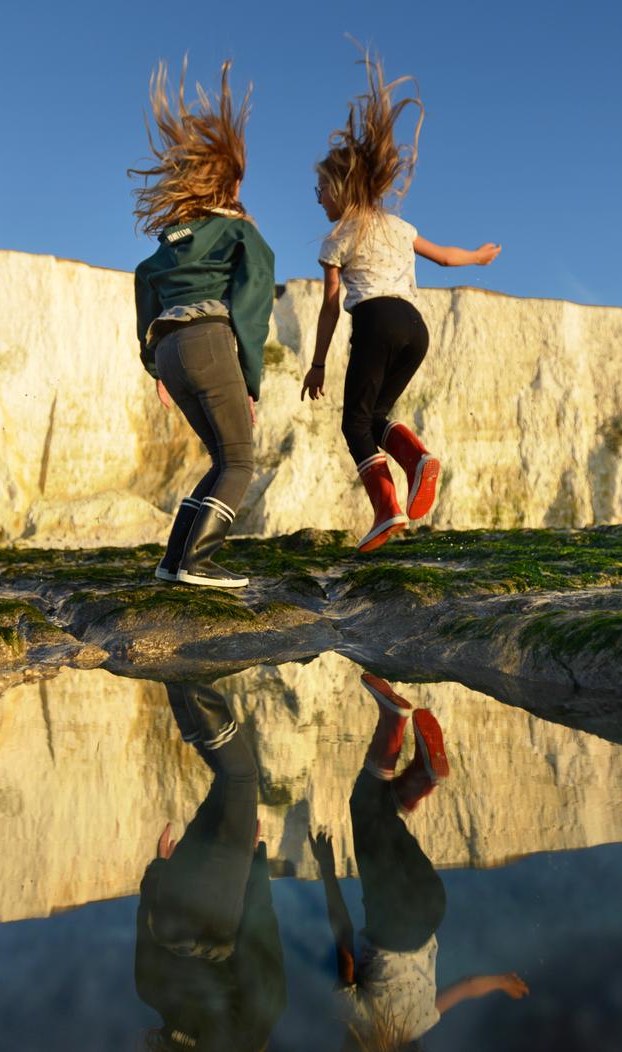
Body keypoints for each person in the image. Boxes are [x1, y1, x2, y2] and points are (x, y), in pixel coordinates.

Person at [299, 53, 501, 552]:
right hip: (416, 327)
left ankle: (388, 510)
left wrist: (319, 363)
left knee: (353, 422)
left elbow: (330, 306)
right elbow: (447, 260)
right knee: (375, 416)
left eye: (321, 188)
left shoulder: (337, 235)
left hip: (376, 320)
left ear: (341, 189)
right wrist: (478, 256)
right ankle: (417, 461)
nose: (316, 197)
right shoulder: (398, 225)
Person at [310, 673, 527, 1050]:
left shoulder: (422, 1022)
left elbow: (466, 988)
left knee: (382, 814)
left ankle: (419, 779)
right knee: (363, 806)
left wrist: (501, 982)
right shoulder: (359, 1021)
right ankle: (393, 721)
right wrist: (326, 870)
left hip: (431, 907)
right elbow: (342, 936)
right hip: (392, 914)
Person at [131, 60, 276, 588]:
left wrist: (155, 369)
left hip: (169, 349)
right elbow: (252, 308)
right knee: (239, 460)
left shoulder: (167, 244)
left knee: (219, 457)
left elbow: (144, 286)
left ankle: (173, 560)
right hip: (210, 341)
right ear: (233, 181)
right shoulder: (238, 234)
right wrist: (251, 382)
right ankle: (198, 561)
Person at [136, 681, 285, 1051]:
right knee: (223, 782)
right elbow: (145, 925)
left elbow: (260, 938)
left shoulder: (246, 1037)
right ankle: (179, 683)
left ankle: (195, 686)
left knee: (241, 778)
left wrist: (253, 865)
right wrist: (158, 871)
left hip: (218, 914)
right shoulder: (153, 994)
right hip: (172, 899)